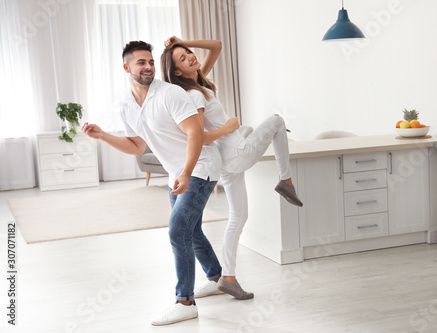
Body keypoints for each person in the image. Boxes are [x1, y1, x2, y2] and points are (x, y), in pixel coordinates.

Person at [81, 41, 223, 326]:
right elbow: (136, 146)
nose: (147, 67)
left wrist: (186, 172)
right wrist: (103, 136)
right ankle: (218, 278)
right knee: (191, 231)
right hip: (177, 173)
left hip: (200, 168)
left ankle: (185, 301)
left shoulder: (170, 94)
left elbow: (195, 134)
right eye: (140, 63)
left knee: (177, 231)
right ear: (126, 68)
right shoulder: (126, 105)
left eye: (150, 62)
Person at [160, 37, 303, 300]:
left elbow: (216, 46)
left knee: (238, 217)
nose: (191, 56)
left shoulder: (198, 84)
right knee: (277, 120)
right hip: (239, 152)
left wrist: (182, 41)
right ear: (177, 72)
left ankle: (228, 277)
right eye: (183, 58)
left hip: (225, 163)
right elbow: (198, 136)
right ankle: (286, 180)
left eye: (189, 52)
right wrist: (227, 128)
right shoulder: (194, 95)